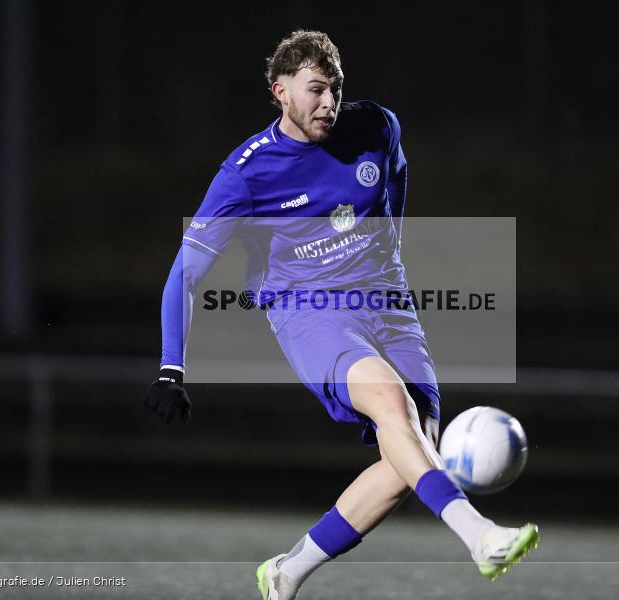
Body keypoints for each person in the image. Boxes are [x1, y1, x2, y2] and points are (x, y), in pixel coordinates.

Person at [145, 30, 538, 599]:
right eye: (315, 89)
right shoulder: (246, 172)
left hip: (387, 303)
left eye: (335, 89)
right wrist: (171, 369)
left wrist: (388, 258)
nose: (329, 102)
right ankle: (480, 537)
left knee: (411, 455)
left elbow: (395, 182)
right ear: (280, 92)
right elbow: (185, 273)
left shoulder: (376, 126)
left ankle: (287, 572)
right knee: (392, 406)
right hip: (308, 309)